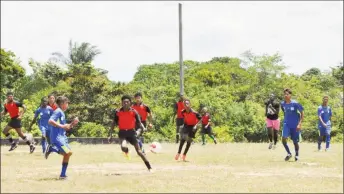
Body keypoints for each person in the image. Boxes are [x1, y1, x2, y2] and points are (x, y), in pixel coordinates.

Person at [108, 95, 153, 172]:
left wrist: (138, 132)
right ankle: (127, 151)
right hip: (122, 132)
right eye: (124, 102)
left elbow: (140, 125)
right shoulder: (118, 112)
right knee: (123, 147)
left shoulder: (134, 112)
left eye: (127, 102)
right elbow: (113, 123)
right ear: (122, 103)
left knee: (139, 152)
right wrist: (110, 134)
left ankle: (149, 167)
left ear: (130, 103)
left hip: (131, 132)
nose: (125, 103)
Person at [47, 96, 79, 179]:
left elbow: (66, 127)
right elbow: (50, 121)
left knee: (68, 154)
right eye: (67, 103)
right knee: (68, 153)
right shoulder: (58, 111)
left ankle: (52, 149)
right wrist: (61, 126)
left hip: (62, 137)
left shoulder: (62, 112)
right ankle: (62, 175)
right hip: (57, 138)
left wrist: (72, 123)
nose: (68, 105)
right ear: (62, 104)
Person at [280, 88, 304, 162]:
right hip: (286, 124)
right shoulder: (282, 104)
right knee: (283, 139)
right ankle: (289, 153)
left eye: (287, 94)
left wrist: (299, 124)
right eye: (285, 94)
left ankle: (297, 155)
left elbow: (302, 113)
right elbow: (284, 111)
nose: (286, 95)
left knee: (295, 142)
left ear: (290, 95)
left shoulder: (295, 103)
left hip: (295, 125)